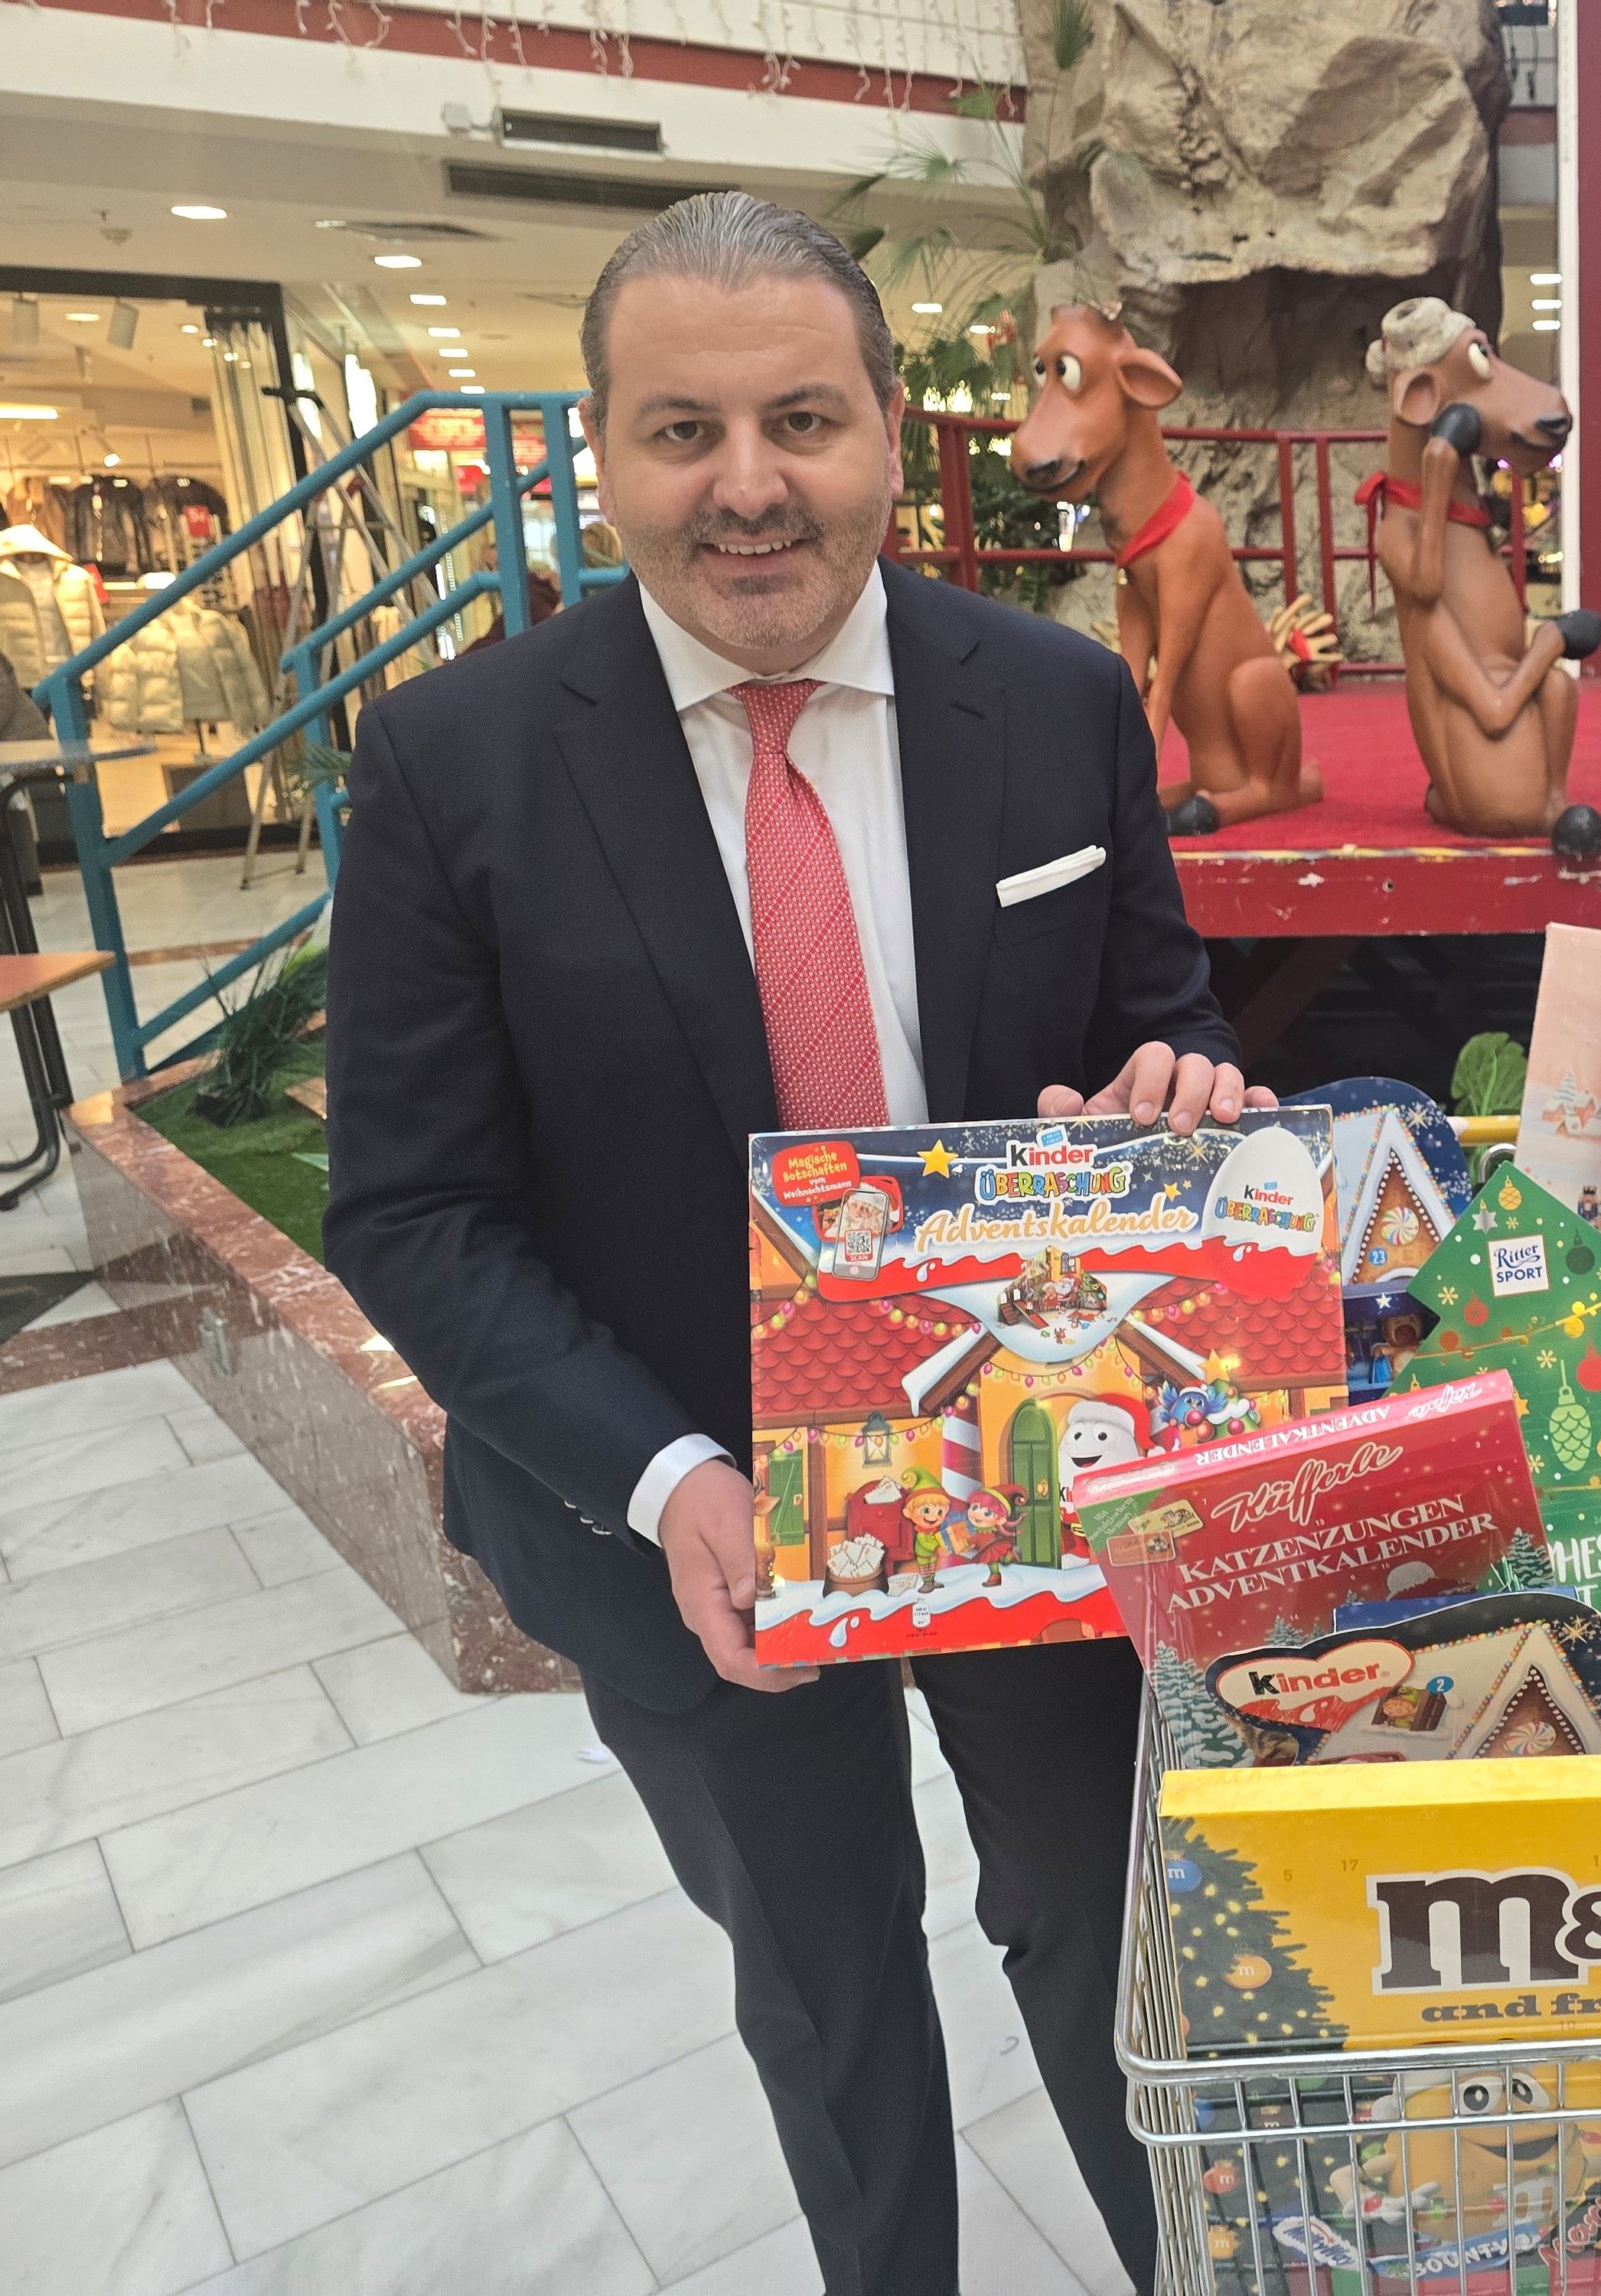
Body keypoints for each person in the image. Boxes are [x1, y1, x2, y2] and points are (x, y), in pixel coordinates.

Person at [323, 191, 1263, 2294]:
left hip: (1031, 1481)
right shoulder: (456, 761)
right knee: (825, 1976)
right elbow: (412, 1203)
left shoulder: (1054, 700)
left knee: (1108, 1937)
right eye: (680, 431)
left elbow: (1159, 1014)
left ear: (884, 440)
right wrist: (667, 1479)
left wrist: (1170, 1097)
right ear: (603, 450)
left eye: (802, 423)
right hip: (686, 1515)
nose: (747, 489)